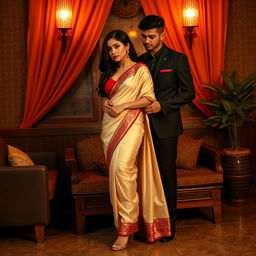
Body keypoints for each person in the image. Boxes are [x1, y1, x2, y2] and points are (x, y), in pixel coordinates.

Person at [98, 30, 172, 251]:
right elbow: (105, 94)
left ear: (127, 46)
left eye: (117, 46)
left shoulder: (140, 70)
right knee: (116, 174)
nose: (113, 51)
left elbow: (149, 97)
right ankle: (123, 225)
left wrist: (123, 106)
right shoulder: (109, 71)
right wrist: (104, 101)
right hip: (109, 127)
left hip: (132, 123)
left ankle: (127, 226)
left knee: (123, 169)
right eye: (109, 48)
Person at [138, 15, 195, 242]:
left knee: (166, 177)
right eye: (144, 36)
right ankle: (148, 224)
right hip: (141, 127)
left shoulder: (177, 59)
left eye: (151, 36)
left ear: (163, 35)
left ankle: (169, 226)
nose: (147, 41)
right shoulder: (139, 61)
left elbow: (190, 93)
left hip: (167, 128)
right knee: (145, 177)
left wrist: (163, 105)